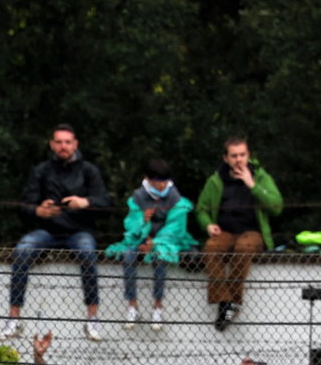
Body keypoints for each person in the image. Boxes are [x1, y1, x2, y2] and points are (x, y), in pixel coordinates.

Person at [1, 123, 110, 342]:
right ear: (52, 145)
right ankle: (13, 318)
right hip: (46, 231)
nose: (63, 146)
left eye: (67, 142)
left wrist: (85, 202)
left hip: (79, 232)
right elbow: (23, 206)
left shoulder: (89, 171)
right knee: (22, 250)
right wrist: (38, 211)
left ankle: (93, 319)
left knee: (89, 253)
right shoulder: (41, 171)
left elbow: (106, 203)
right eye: (58, 142)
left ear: (75, 144)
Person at [195, 136, 283, 331]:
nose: (239, 160)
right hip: (225, 231)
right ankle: (225, 302)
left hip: (252, 232)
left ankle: (231, 301)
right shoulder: (216, 180)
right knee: (211, 247)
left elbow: (276, 207)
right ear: (225, 158)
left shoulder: (260, 177)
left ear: (248, 155)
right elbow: (201, 208)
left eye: (242, 155)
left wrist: (252, 185)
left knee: (244, 248)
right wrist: (208, 225)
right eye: (234, 156)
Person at [110, 159, 193, 331]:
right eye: (157, 181)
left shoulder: (176, 199)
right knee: (128, 255)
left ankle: (158, 306)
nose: (162, 185)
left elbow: (175, 228)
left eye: (164, 181)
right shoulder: (138, 197)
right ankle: (132, 305)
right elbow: (130, 226)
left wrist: (154, 243)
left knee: (160, 256)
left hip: (165, 241)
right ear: (148, 179)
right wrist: (143, 220)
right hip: (139, 240)